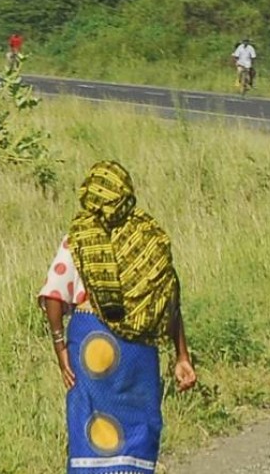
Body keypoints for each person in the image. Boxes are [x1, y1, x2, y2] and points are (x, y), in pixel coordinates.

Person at [36, 161, 197, 474]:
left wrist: (60, 348)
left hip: (91, 347)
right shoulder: (149, 239)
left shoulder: (78, 239)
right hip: (137, 353)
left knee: (90, 426)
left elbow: (54, 294)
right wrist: (181, 355)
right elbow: (169, 299)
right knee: (138, 428)